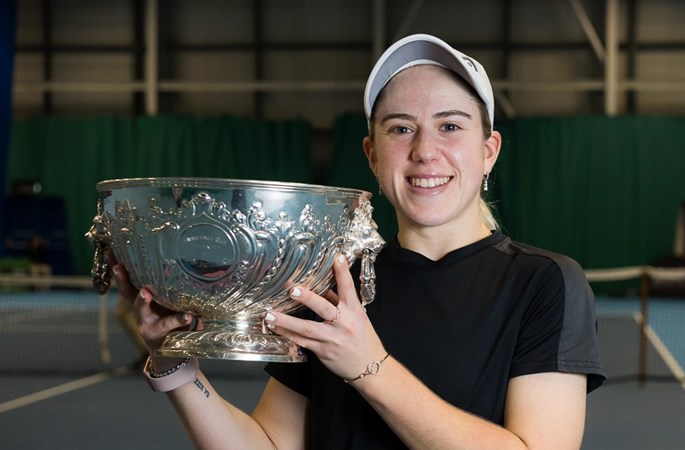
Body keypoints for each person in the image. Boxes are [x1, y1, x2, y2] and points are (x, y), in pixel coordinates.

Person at [113, 33, 606, 449]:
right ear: (373, 154)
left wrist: (367, 366)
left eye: (450, 126)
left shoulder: (544, 283)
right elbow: (267, 444)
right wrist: (174, 365)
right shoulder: (327, 283)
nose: (424, 151)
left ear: (488, 150)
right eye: (400, 128)